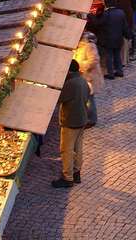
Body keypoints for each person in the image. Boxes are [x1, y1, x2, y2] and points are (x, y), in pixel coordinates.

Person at [51, 60, 90, 188]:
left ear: (68, 71)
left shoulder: (71, 84)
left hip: (71, 121)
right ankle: (76, 172)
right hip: (82, 120)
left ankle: (68, 177)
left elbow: (59, 98)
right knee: (78, 148)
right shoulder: (83, 80)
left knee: (66, 150)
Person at [95, 0, 130, 80]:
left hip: (108, 39)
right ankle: (119, 71)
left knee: (109, 56)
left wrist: (92, 16)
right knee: (117, 55)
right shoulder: (121, 12)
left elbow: (98, 23)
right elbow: (124, 26)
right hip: (118, 38)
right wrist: (128, 35)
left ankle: (111, 73)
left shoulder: (106, 14)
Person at [74, 33, 103, 127]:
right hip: (82, 77)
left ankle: (91, 119)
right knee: (85, 98)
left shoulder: (89, 46)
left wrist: (81, 66)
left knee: (89, 99)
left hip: (89, 78)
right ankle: (86, 117)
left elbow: (94, 60)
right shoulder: (78, 46)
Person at [111, 0, 134, 67]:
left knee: (123, 41)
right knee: (126, 41)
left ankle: (123, 61)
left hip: (124, 21)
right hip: (128, 19)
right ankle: (125, 59)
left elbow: (116, 7)